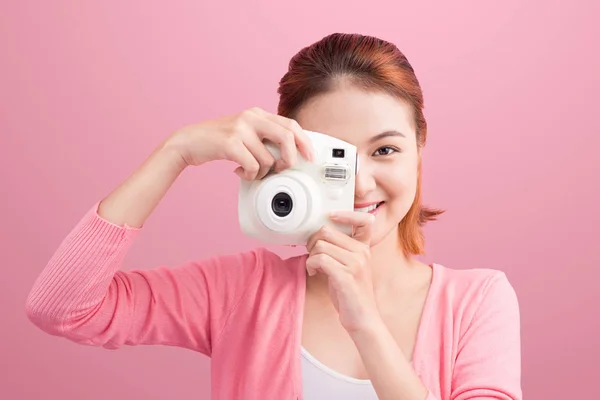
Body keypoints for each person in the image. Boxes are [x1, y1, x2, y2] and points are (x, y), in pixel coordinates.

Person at [25, 33, 522, 400]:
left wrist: (365, 321)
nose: (361, 183)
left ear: (419, 148)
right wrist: (174, 152)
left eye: (385, 150)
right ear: (290, 157)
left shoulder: (477, 301)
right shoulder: (242, 290)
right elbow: (61, 307)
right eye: (335, 158)